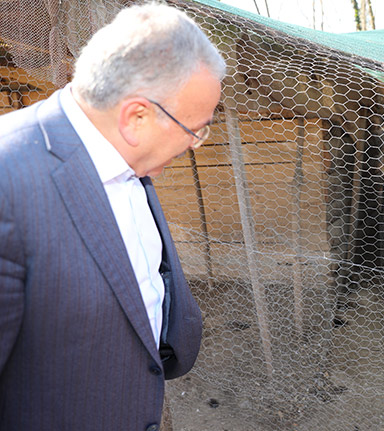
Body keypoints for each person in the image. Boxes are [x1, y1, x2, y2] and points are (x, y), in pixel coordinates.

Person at [0, 3, 226, 430]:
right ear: (136, 117)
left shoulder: (130, 160)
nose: (197, 143)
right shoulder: (9, 182)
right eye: (195, 128)